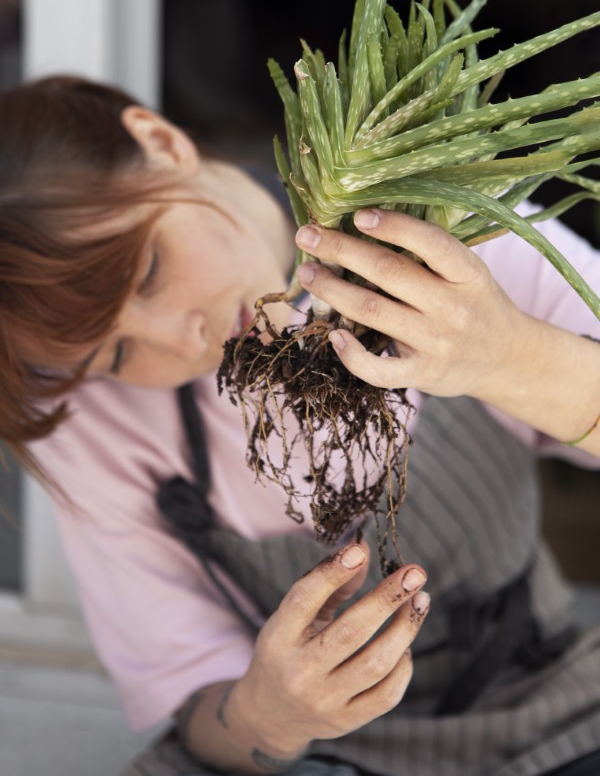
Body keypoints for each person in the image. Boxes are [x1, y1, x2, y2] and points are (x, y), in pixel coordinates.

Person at [1, 74, 599, 776]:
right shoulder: (99, 422)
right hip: (321, 759)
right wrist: (266, 715)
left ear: (162, 144)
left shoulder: (440, 234)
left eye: (148, 271)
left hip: (553, 703)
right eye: (116, 353)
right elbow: (204, 712)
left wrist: (507, 355)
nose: (180, 339)